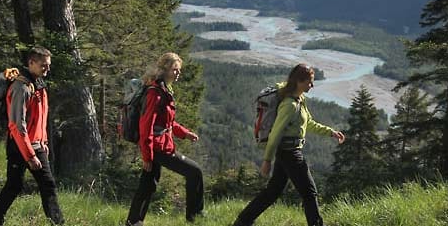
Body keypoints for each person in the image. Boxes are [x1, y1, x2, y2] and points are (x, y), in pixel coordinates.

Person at [232, 63, 346, 226]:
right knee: (309, 191)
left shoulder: (300, 99)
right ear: (299, 81)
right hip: (290, 152)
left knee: (273, 191)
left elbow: (309, 123)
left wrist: (330, 132)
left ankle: (243, 221)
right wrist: (267, 161)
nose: (312, 85)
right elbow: (276, 134)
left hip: (286, 152)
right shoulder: (289, 105)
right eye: (309, 82)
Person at [0, 46, 64, 226]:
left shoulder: (39, 86)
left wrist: (43, 142)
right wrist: (30, 156)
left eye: (48, 65)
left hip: (37, 146)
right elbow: (17, 125)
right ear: (31, 63)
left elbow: (41, 120)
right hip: (20, 147)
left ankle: (58, 223)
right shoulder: (21, 87)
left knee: (48, 186)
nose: (47, 69)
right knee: (13, 187)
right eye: (43, 65)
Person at [126, 52, 204, 226]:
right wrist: (147, 156)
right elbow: (146, 127)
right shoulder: (156, 93)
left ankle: (133, 221)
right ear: (165, 70)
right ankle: (195, 217)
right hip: (158, 148)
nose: (178, 73)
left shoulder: (163, 90)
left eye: (179, 70)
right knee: (194, 172)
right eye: (175, 70)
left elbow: (168, 123)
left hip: (158, 145)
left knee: (147, 184)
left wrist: (185, 133)